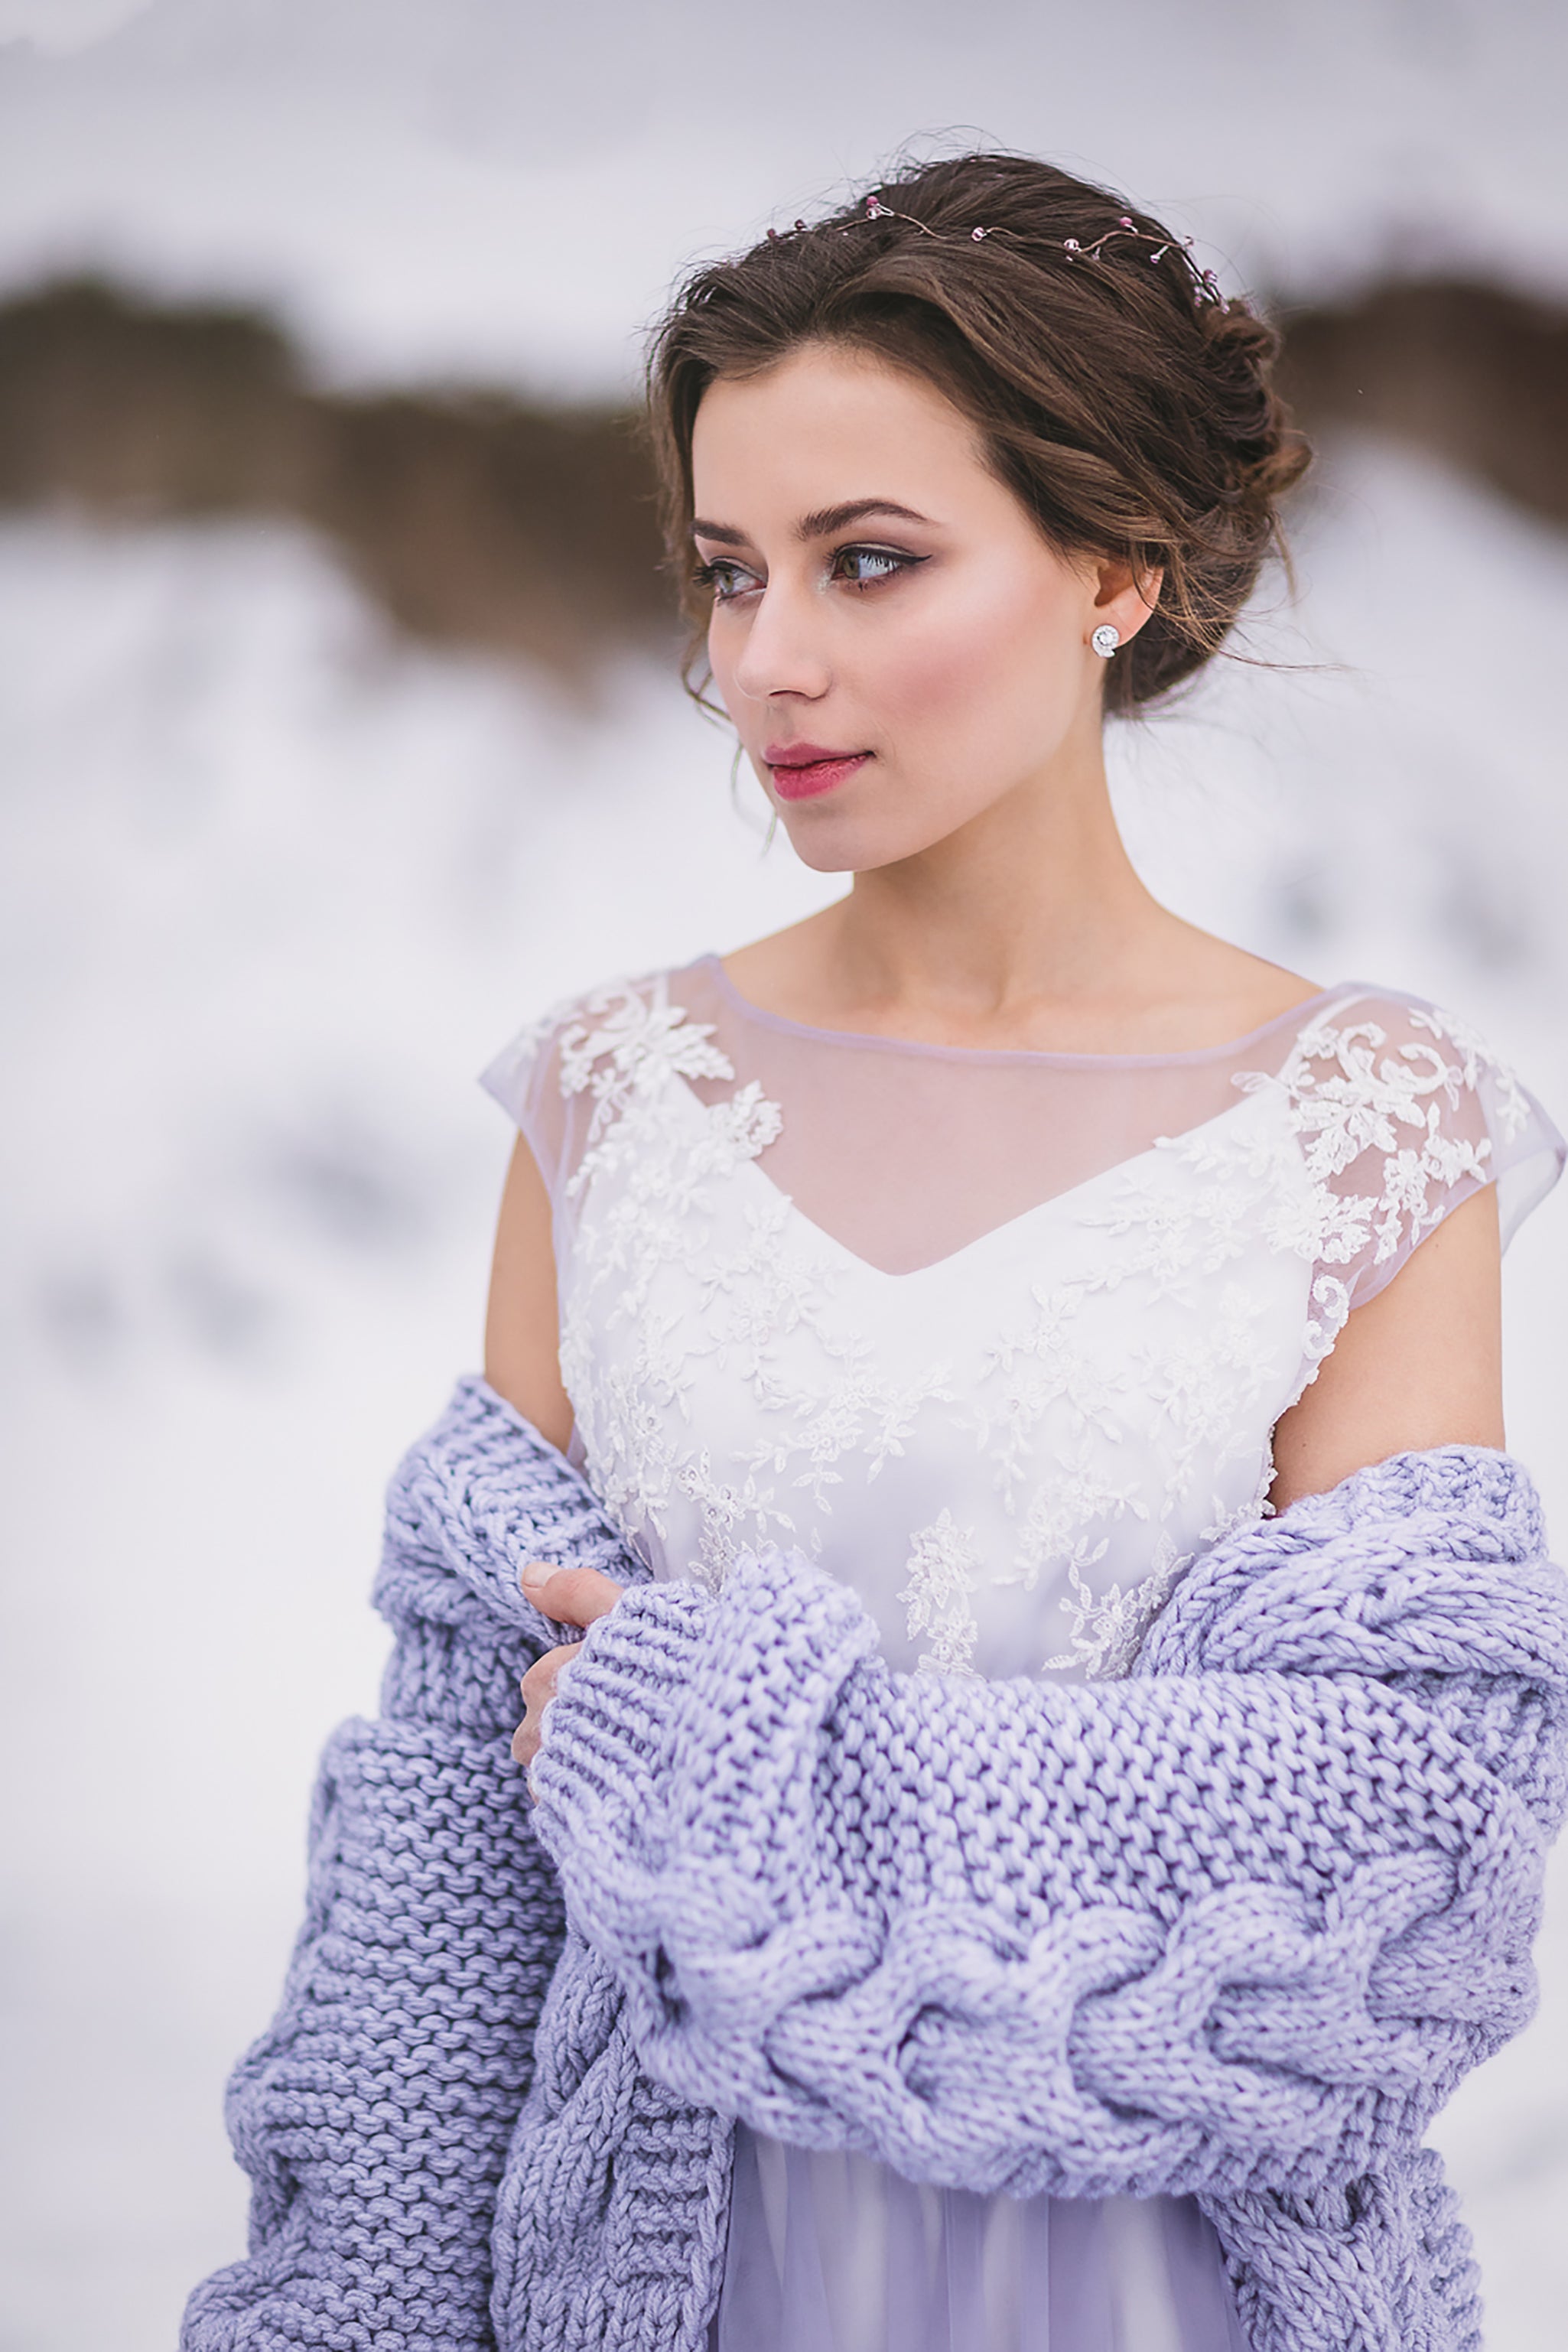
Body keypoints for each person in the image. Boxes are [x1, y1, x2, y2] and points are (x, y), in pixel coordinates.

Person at [480, 154, 1565, 2350]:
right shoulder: (611, 1100)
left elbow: (1404, 1867)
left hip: (1184, 2289)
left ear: (1114, 568)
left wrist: (712, 1748)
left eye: (868, 560)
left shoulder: (1362, 1129)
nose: (767, 663)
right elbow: (441, 1879)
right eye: (728, 571)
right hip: (670, 2282)